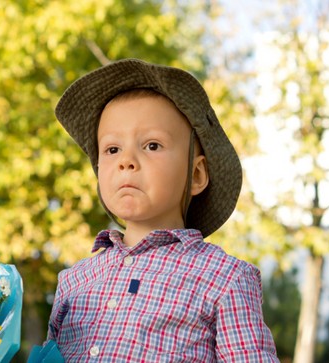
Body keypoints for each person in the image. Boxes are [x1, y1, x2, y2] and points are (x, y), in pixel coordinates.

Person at [46, 59, 279, 362]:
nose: (126, 160)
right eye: (112, 149)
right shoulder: (73, 281)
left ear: (196, 175)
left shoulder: (225, 279)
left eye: (152, 145)